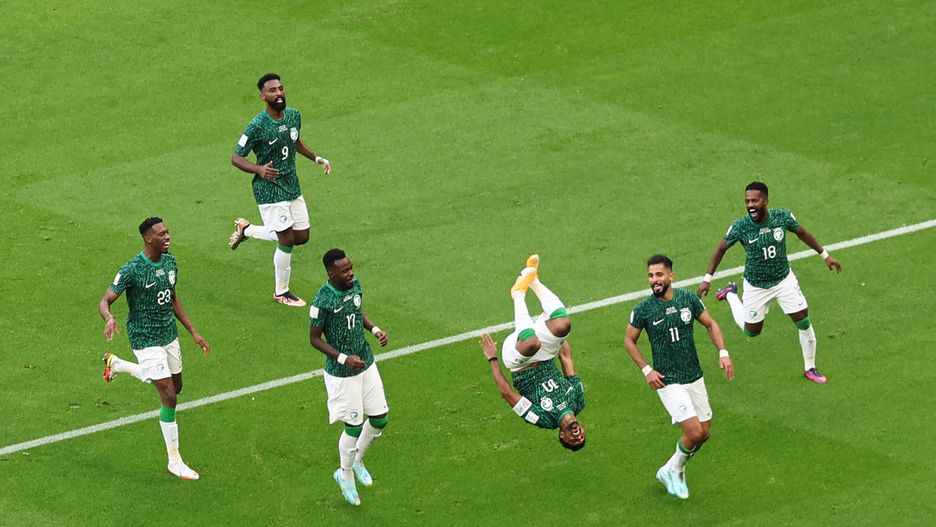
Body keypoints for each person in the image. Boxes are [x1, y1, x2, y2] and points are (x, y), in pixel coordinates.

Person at [696, 181, 842, 384]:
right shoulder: (741, 226)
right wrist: (707, 279)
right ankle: (731, 294)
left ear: (765, 201)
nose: (750, 205)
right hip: (756, 286)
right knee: (751, 332)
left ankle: (810, 367)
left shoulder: (782, 217)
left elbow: (802, 233)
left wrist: (825, 255)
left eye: (754, 200)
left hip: (783, 280)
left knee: (803, 320)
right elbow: (721, 249)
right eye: (747, 201)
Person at [99, 217, 210, 480]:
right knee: (169, 395)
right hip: (145, 338)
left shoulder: (171, 263)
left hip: (168, 334)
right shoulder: (132, 269)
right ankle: (175, 461)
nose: (167, 236)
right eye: (161, 234)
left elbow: (172, 298)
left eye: (168, 232)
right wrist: (109, 318)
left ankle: (117, 364)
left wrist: (193, 332)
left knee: (176, 387)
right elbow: (105, 300)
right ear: (148, 238)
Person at [625, 254, 734, 500]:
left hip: (694, 375)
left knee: (704, 433)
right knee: (694, 433)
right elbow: (629, 341)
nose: (654, 280)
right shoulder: (644, 309)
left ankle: (671, 469)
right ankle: (674, 470)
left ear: (671, 276)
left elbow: (711, 324)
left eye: (659, 274)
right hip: (668, 380)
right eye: (651, 275)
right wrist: (647, 370)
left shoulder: (687, 299)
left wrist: (723, 352)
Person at [227, 72, 333, 307]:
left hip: (291, 185)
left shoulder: (294, 116)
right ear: (263, 96)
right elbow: (236, 157)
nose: (279, 93)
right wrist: (258, 169)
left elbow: (295, 141)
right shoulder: (257, 125)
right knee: (286, 239)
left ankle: (247, 230)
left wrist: (316, 158)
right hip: (269, 189)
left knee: (301, 236)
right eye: (272, 90)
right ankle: (281, 292)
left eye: (281, 89)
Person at [479, 255, 586, 451]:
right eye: (581, 437)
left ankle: (518, 293)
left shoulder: (543, 419)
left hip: (519, 360)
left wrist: (492, 358)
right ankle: (533, 278)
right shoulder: (578, 400)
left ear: (562, 435)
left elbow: (507, 393)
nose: (577, 436)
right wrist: (558, 338)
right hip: (546, 353)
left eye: (573, 440)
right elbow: (566, 358)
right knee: (564, 324)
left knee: (531, 343)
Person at [309, 248, 389, 507]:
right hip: (342, 373)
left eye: (351, 267)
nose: (351, 273)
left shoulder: (355, 285)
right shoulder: (322, 300)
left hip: (365, 361)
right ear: (331, 274)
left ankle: (356, 461)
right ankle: (344, 475)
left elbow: (358, 310)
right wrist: (344, 358)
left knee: (380, 418)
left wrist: (375, 329)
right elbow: (314, 339)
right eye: (344, 271)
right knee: (353, 426)